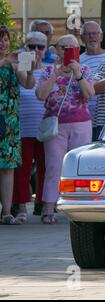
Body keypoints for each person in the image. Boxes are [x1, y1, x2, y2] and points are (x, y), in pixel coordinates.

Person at [36, 35, 93, 224]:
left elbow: (89, 95)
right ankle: (48, 209)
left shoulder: (84, 69)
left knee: (79, 167)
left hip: (81, 124)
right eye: (64, 47)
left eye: (73, 48)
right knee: (53, 166)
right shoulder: (49, 70)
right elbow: (40, 95)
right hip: (56, 125)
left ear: (78, 51)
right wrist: (56, 74)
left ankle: (80, 208)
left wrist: (78, 74)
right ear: (58, 50)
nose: (68, 51)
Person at [0, 26, 36, 225]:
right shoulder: (6, 61)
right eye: (0, 40)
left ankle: (6, 212)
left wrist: (29, 71)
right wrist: (6, 61)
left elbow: (29, 84)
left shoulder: (14, 63)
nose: (3, 44)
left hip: (10, 121)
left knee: (8, 167)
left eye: (5, 40)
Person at [12, 32, 48, 221]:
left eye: (40, 47)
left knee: (45, 168)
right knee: (22, 169)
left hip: (44, 127)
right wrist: (29, 68)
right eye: (31, 47)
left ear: (46, 49)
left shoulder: (50, 69)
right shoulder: (19, 68)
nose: (36, 51)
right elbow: (26, 84)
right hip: (23, 126)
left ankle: (43, 204)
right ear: (25, 48)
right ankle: (21, 207)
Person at [80, 21, 105, 138]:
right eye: (88, 34)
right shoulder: (77, 61)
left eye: (95, 33)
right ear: (82, 38)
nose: (92, 37)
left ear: (101, 37)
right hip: (85, 119)